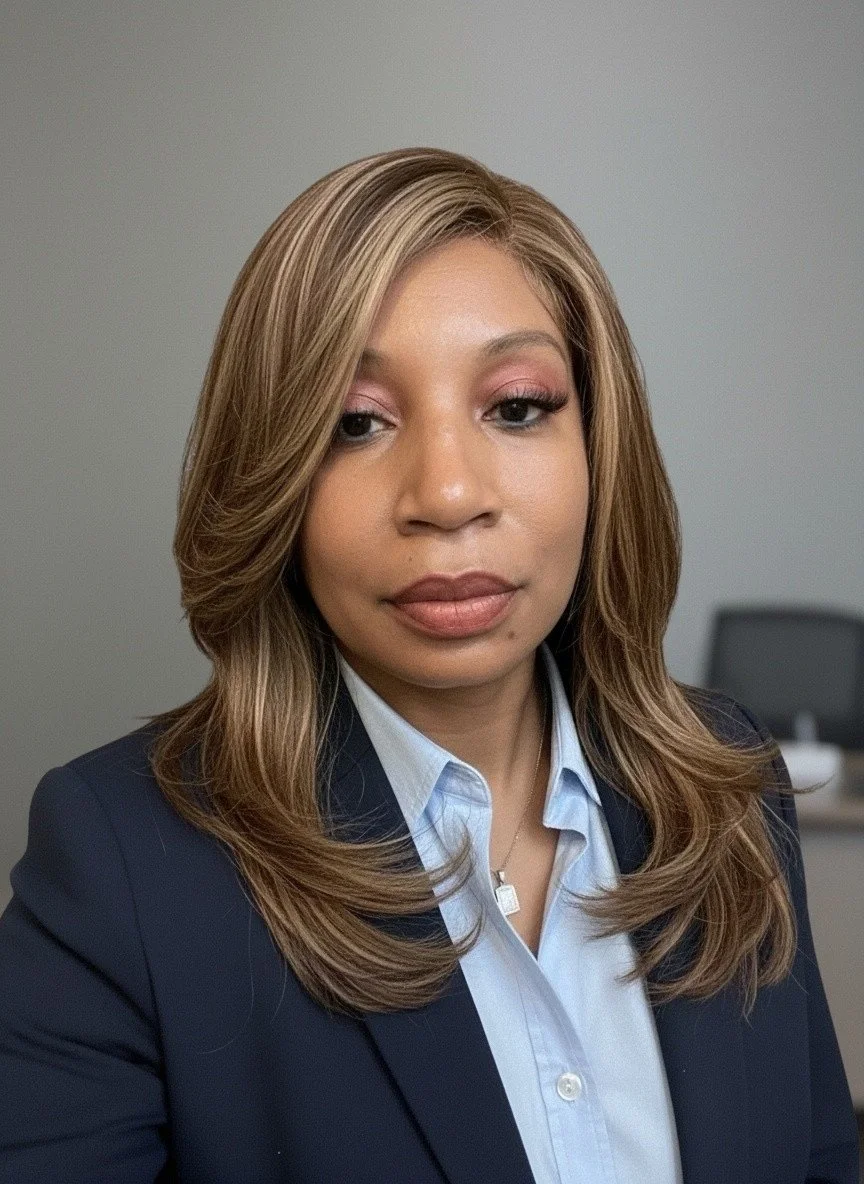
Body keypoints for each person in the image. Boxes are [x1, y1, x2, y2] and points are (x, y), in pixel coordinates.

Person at [0, 147, 857, 1184]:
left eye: (517, 405)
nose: (447, 493)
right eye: (354, 423)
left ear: (599, 442)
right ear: (272, 477)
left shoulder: (734, 783)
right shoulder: (118, 861)